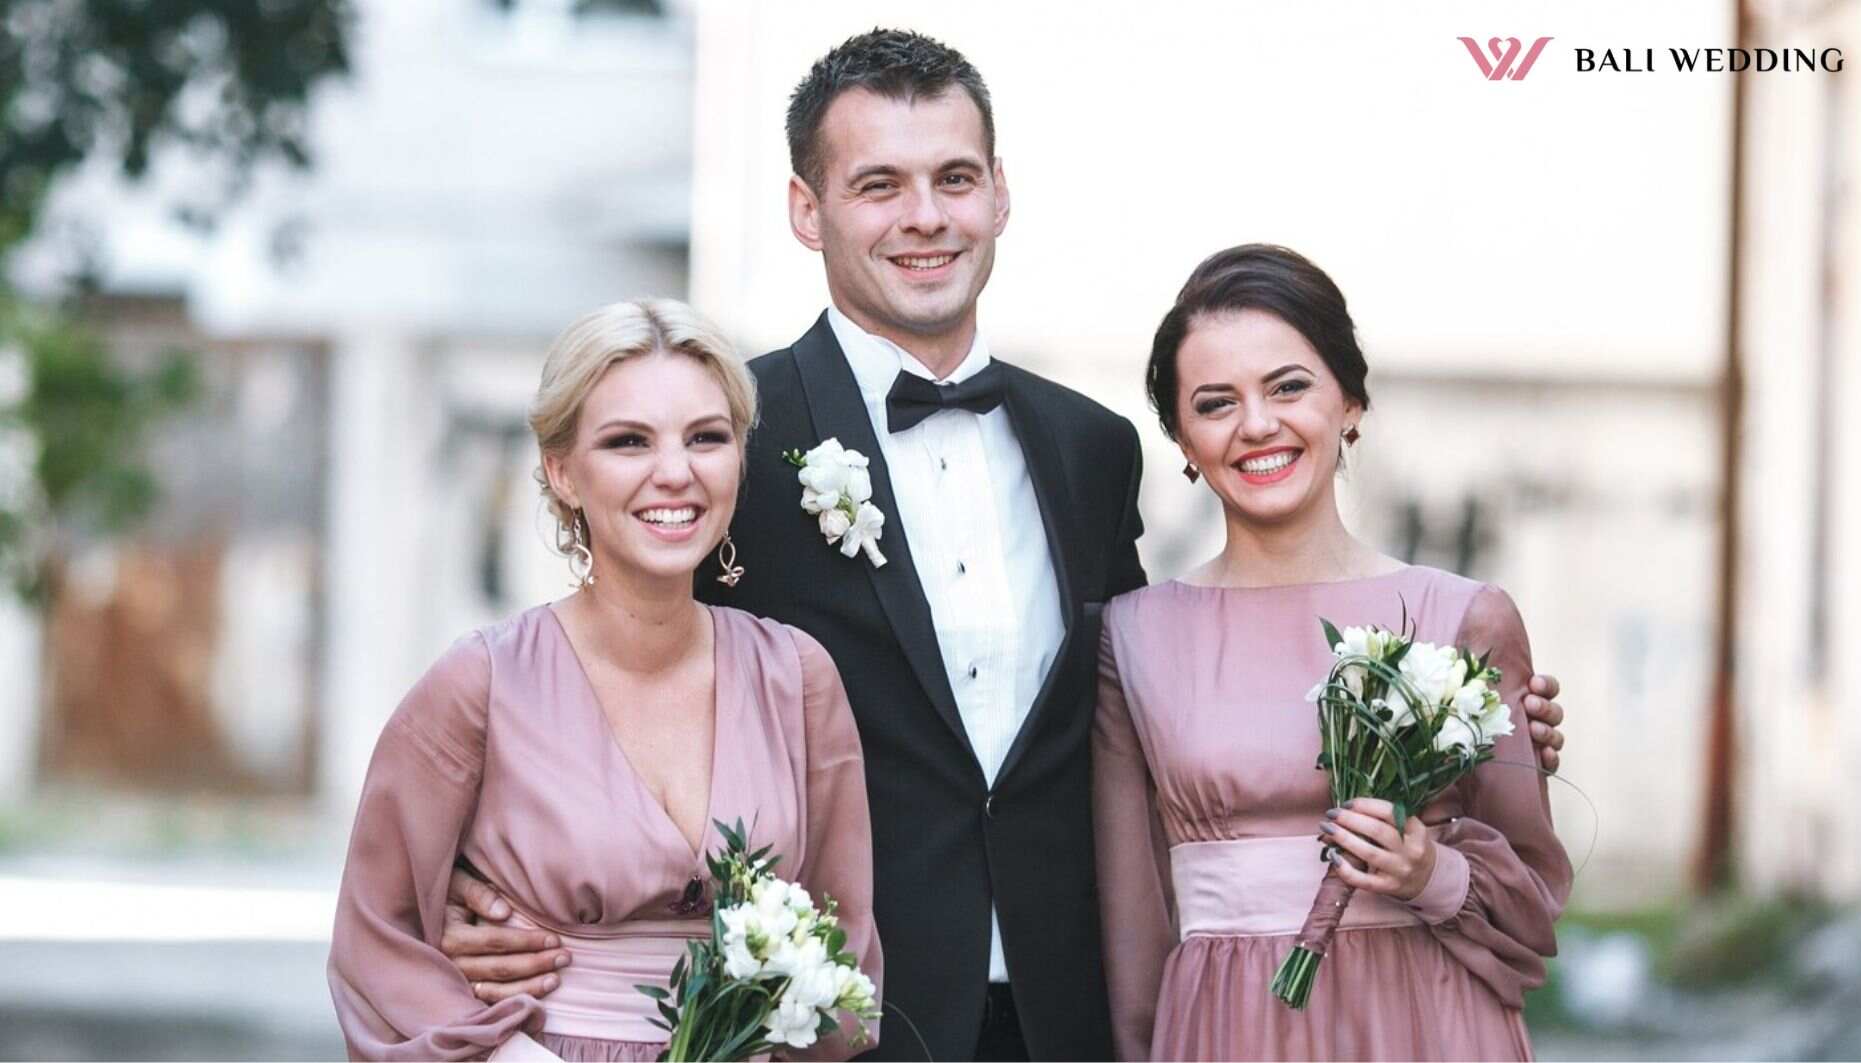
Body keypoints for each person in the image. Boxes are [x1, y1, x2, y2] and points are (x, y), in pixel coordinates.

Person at [438, 31, 1568, 1062]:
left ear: (1000, 196)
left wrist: (1458, 725)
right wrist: (483, 890)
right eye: (878, 184)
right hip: (836, 1011)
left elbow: (1160, 707)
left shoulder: (1088, 446)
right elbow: (606, 672)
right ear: (804, 207)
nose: (923, 215)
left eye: (954, 178)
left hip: (1071, 1005)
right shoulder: (727, 438)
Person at [327, 299, 880, 1061]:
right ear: (563, 471)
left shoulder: (800, 679)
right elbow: (373, 935)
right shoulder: (480, 683)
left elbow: (843, 941)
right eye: (628, 441)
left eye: (706, 438)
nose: (675, 471)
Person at [1094, 244, 1572, 1061]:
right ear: (1181, 437)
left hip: (1429, 1020)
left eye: (1288, 386)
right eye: (1215, 403)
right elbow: (1132, 931)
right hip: (1227, 1027)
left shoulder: (1463, 616)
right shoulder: (1133, 637)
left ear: (1349, 399)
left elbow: (1531, 909)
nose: (1257, 424)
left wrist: (1431, 872)